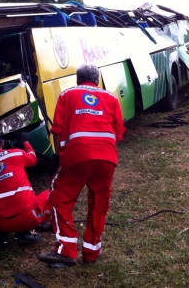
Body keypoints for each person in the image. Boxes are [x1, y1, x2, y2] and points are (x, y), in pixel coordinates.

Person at [38, 63, 126, 268]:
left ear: (78, 79)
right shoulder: (112, 98)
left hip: (77, 154)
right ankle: (92, 252)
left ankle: (66, 250)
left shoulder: (67, 95)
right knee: (99, 203)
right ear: (97, 80)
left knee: (60, 198)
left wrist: (60, 154)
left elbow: (57, 128)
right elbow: (119, 133)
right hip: (106, 157)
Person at [0, 131, 50, 249]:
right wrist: (26, 142)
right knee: (50, 194)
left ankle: (3, 237)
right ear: (1, 142)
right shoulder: (15, 154)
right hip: (27, 217)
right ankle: (25, 232)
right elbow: (33, 159)